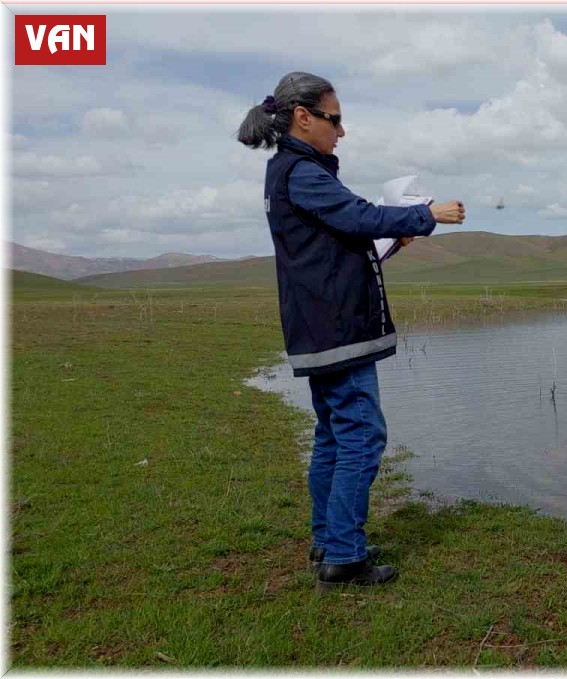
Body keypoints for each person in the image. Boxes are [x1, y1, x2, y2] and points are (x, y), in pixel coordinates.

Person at [237, 72, 466, 590]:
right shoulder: (302, 172)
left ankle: (330, 541)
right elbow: (357, 214)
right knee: (361, 436)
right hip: (336, 329)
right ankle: (343, 556)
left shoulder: (296, 172)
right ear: (303, 117)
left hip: (324, 326)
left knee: (335, 438)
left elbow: (340, 237)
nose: (341, 131)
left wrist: (393, 239)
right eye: (334, 119)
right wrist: (425, 214)